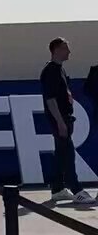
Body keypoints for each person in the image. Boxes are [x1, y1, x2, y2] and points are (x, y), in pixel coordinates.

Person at [40, 37, 94, 207]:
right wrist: (60, 122)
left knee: (61, 154)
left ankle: (57, 189)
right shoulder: (50, 71)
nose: (69, 52)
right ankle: (77, 190)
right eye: (65, 48)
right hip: (59, 119)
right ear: (56, 50)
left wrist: (68, 94)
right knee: (68, 154)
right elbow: (50, 99)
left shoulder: (60, 70)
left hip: (65, 118)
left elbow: (61, 90)